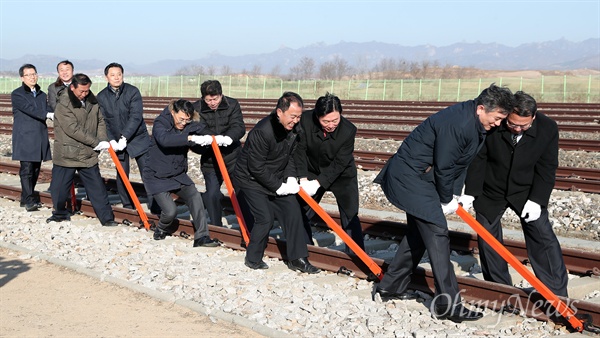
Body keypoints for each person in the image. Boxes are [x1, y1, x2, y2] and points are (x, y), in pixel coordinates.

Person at [373, 84, 515, 323]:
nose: (498, 123)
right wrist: (445, 197)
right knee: (438, 234)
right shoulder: (459, 123)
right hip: (410, 177)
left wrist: (455, 195)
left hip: (424, 178)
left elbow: (461, 163)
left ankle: (390, 286)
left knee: (420, 234)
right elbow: (446, 165)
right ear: (481, 108)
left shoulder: (474, 121)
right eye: (498, 118)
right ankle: (448, 305)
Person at [460, 91, 568, 300]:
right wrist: (471, 193)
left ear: (533, 118)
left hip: (526, 190)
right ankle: (499, 288)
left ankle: (556, 292)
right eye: (513, 124)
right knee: (488, 238)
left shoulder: (548, 128)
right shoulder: (495, 123)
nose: (517, 129)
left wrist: (537, 200)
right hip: (492, 189)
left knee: (542, 236)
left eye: (524, 126)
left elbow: (547, 168)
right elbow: (478, 159)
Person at [232, 92, 320, 273]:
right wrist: (278, 187)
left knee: (293, 210)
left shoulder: (293, 129)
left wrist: (290, 178)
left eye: (299, 117)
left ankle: (297, 259)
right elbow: (256, 167)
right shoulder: (262, 132)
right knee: (265, 218)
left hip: (275, 176)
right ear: (280, 112)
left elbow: (289, 156)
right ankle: (253, 258)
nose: (295, 120)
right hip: (250, 180)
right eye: (292, 116)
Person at [143, 99, 219, 247]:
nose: (184, 123)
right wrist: (189, 138)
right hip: (157, 175)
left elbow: (202, 128)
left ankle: (202, 237)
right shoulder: (161, 122)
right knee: (170, 212)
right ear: (173, 113)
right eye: (181, 119)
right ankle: (161, 228)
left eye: (187, 120)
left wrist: (215, 138)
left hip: (177, 173)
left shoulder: (188, 122)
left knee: (195, 196)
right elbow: (165, 140)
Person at [294, 92, 365, 252]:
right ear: (317, 116)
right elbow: (300, 149)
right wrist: (303, 178)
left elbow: (341, 162)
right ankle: (304, 248)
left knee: (350, 214)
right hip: (312, 170)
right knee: (301, 209)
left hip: (342, 175)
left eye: (335, 120)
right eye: (326, 121)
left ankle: (357, 254)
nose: (331, 125)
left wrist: (319, 183)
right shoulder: (305, 120)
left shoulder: (349, 130)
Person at [46, 73, 118, 227]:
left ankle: (106, 218)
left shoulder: (92, 100)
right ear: (72, 87)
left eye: (87, 91)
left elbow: (100, 120)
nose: (85, 94)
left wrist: (103, 139)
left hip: (88, 154)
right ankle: (59, 214)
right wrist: (95, 142)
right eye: (81, 91)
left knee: (97, 188)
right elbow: (72, 129)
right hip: (67, 153)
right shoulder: (63, 104)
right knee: (59, 189)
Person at [97, 62, 155, 212]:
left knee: (148, 173)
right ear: (106, 77)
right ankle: (127, 205)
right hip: (116, 141)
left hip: (138, 138)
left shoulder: (132, 92)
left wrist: (125, 137)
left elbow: (135, 117)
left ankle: (155, 205)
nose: (116, 78)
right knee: (122, 173)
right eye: (112, 75)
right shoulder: (102, 97)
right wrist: (111, 140)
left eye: (119, 74)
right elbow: (103, 121)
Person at [192, 80, 245, 227]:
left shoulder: (232, 104)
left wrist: (228, 138)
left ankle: (247, 224)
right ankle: (216, 226)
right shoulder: (196, 108)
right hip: (210, 160)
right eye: (208, 100)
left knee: (242, 192)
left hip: (233, 157)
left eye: (215, 99)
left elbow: (239, 126)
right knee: (212, 194)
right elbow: (198, 129)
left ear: (221, 95)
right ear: (203, 98)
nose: (212, 103)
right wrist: (212, 140)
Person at [11, 64, 52, 211]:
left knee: (35, 169)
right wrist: (47, 114)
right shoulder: (17, 94)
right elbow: (30, 109)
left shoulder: (42, 94)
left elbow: (48, 108)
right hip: (25, 137)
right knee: (27, 169)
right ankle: (29, 200)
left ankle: (25, 197)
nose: (32, 77)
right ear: (22, 77)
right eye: (28, 75)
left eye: (34, 74)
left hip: (39, 137)